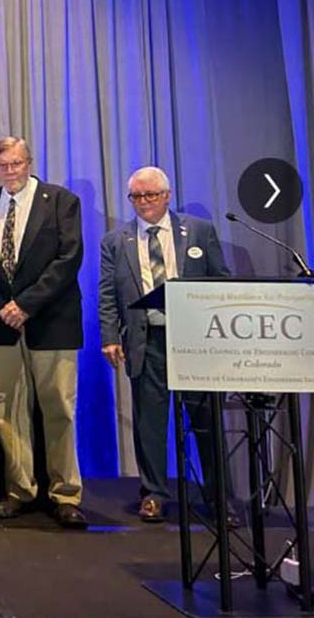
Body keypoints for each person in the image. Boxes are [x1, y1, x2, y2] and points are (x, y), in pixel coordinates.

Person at [98, 166, 237, 525]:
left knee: (205, 421)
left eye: (151, 195)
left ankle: (219, 498)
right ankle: (154, 494)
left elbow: (220, 282)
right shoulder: (116, 240)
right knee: (149, 424)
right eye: (137, 197)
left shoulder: (199, 231)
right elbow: (108, 295)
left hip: (194, 341)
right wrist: (110, 337)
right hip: (146, 341)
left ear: (167, 195)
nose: (144, 203)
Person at [0, 137, 87, 529]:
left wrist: (27, 305)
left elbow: (68, 259)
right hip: (1, 324)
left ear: (29, 163)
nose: (10, 172)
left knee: (58, 408)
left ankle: (65, 493)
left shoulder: (62, 202)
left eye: (17, 164)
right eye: (3, 165)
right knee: (7, 410)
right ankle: (20, 489)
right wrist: (1, 306)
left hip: (52, 321)